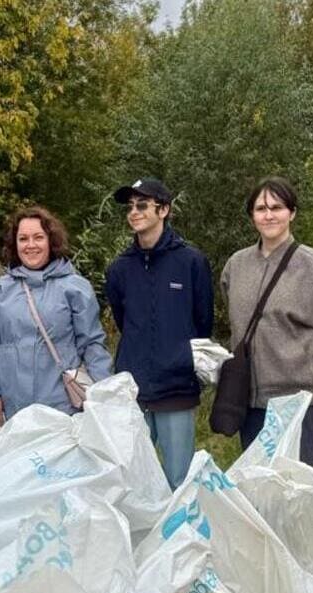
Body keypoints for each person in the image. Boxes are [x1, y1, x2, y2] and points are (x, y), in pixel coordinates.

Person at [221, 176, 313, 469]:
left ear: (291, 212)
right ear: (252, 215)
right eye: (261, 208)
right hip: (251, 399)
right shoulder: (236, 266)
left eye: (276, 207)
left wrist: (310, 372)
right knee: (256, 487)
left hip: (300, 401)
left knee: (297, 489)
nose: (268, 215)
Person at [106, 177, 213, 488]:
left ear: (163, 210)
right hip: (133, 391)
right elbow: (124, 320)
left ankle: (180, 536)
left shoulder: (191, 262)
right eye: (130, 207)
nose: (134, 213)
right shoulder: (119, 269)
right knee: (131, 482)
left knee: (179, 481)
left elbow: (202, 322)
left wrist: (178, 358)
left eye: (142, 205)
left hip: (176, 389)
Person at [0, 206, 112, 423]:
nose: (30, 245)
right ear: (14, 244)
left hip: (63, 408)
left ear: (50, 240)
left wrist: (103, 394)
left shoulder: (75, 288)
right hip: (13, 408)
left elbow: (92, 343)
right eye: (23, 238)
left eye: (38, 237)